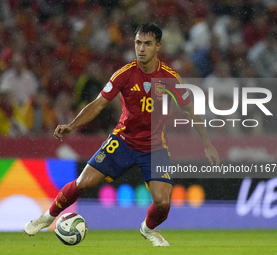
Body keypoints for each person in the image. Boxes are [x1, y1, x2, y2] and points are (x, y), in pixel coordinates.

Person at [24, 22, 220, 246]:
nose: (141, 48)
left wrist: (207, 144)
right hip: (123, 141)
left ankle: (148, 229)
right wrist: (72, 125)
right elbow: (98, 105)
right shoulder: (124, 74)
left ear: (158, 46)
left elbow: (190, 110)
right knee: (83, 183)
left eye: (147, 44)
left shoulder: (171, 78)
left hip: (154, 147)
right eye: (138, 43)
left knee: (163, 202)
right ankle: (46, 217)